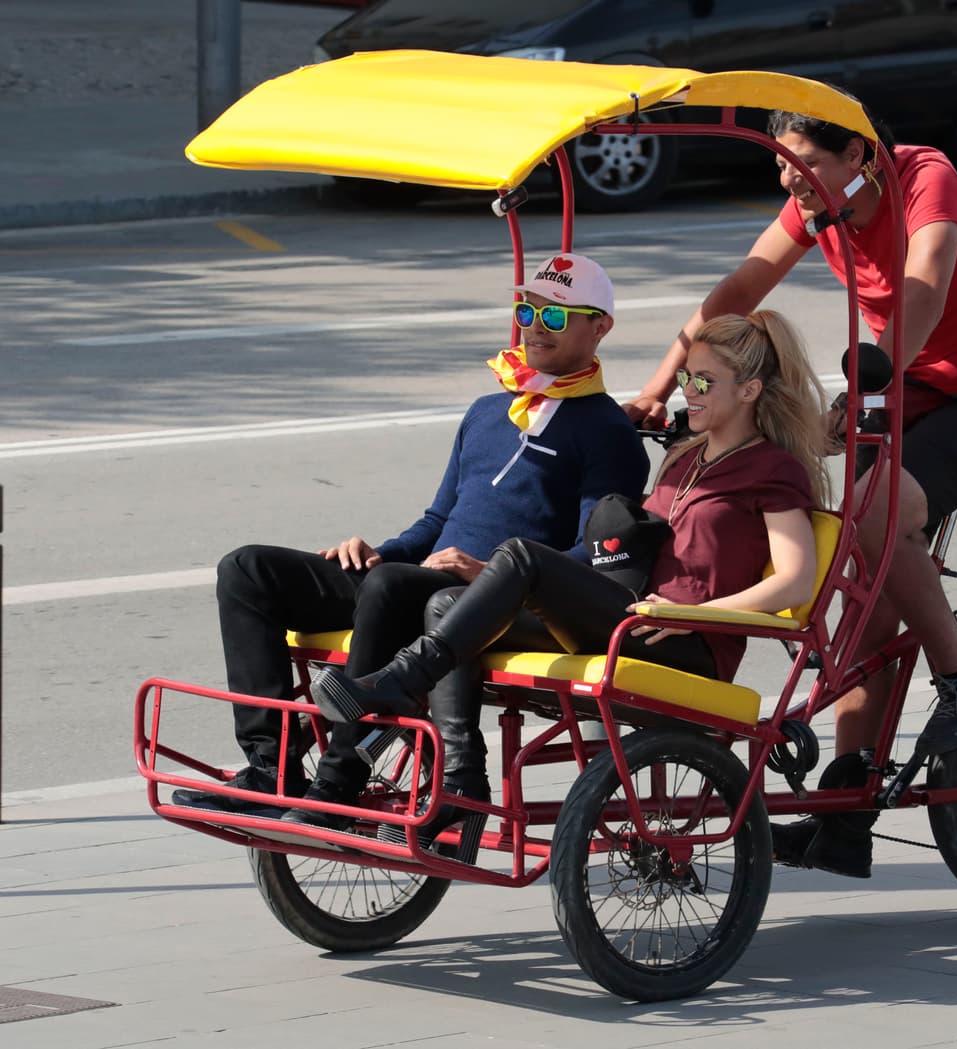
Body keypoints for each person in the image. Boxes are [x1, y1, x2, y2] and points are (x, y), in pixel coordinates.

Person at [626, 111, 957, 878]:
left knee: (876, 513)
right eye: (781, 165)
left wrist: (870, 383)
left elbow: (922, 287)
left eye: (805, 162)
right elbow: (741, 288)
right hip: (900, 382)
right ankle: (848, 809)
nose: (790, 179)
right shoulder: (816, 198)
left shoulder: (926, 178)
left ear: (860, 153)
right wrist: (657, 389)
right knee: (858, 587)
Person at [300, 310, 832, 843]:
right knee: (446, 605)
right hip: (633, 617)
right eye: (685, 377)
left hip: (686, 641)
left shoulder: (771, 469)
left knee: (522, 557)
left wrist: (694, 615)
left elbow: (795, 581)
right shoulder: (685, 455)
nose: (687, 391)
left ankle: (398, 682)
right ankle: (462, 783)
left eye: (704, 382)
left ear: (750, 390)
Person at [172, 252, 650, 818]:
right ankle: (271, 765)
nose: (532, 327)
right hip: (412, 576)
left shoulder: (609, 431)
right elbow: (435, 519)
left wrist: (490, 574)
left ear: (600, 328)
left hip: (480, 599)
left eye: (553, 318)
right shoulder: (486, 409)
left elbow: (587, 555)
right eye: (526, 310)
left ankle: (340, 777)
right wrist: (379, 550)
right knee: (247, 569)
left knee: (390, 587)